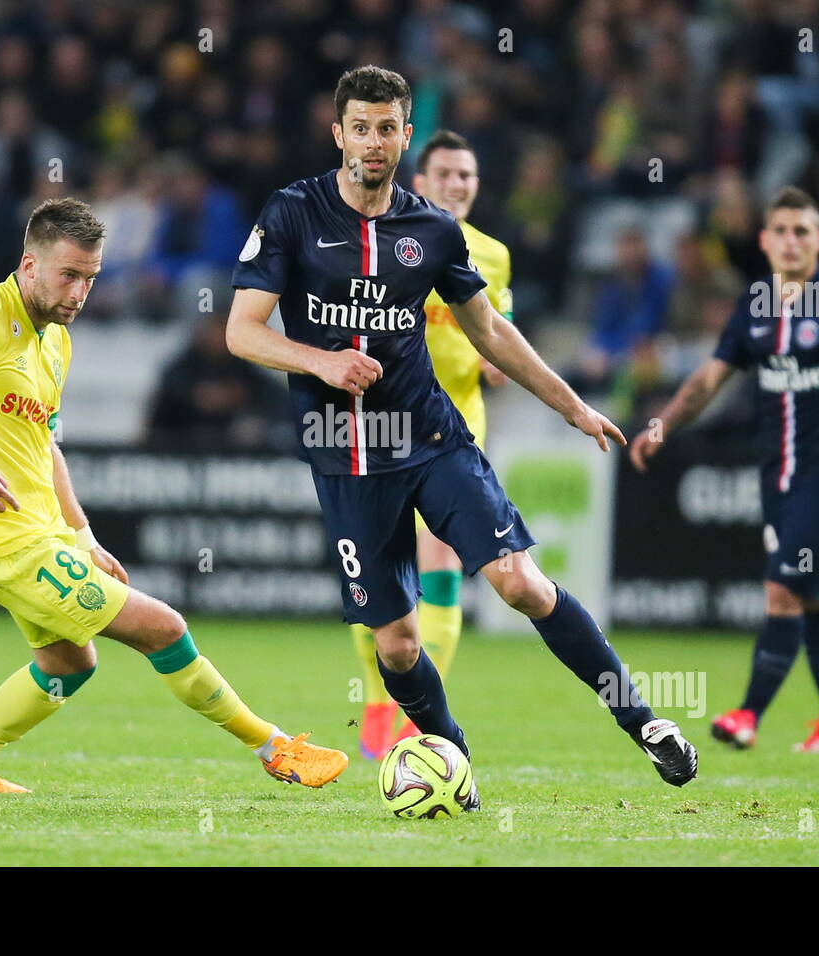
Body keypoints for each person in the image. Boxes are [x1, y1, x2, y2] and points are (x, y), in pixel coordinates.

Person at [227, 65, 698, 803]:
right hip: (345, 459)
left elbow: (490, 331)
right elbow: (241, 331)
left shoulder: (432, 230)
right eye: (361, 127)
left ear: (404, 135)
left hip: (431, 440)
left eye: (388, 128)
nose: (374, 142)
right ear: (337, 133)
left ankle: (645, 722)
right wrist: (321, 359)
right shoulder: (292, 213)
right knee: (398, 644)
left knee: (520, 584)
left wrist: (569, 404)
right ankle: (453, 759)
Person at [0, 198, 347, 793]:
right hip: (0, 539)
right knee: (163, 628)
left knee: (69, 665)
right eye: (69, 275)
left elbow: (46, 446)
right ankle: (274, 747)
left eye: (90, 279)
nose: (79, 292)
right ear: (29, 264)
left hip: (37, 533)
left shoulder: (55, 342)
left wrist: (83, 535)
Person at [630, 186, 819, 752]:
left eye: (803, 231)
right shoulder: (754, 306)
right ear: (765, 240)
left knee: (782, 588)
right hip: (776, 475)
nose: (792, 241)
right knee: (812, 590)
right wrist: (663, 424)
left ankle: (748, 714)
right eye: (782, 231)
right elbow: (710, 377)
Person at [350, 129, 511, 759]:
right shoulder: (391, 242)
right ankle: (374, 701)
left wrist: (496, 361)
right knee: (376, 579)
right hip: (382, 427)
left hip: (453, 429)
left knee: (441, 571)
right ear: (420, 182)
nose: (456, 184)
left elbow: (494, 328)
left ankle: (415, 717)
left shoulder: (493, 255)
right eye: (444, 174)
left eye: (466, 175)